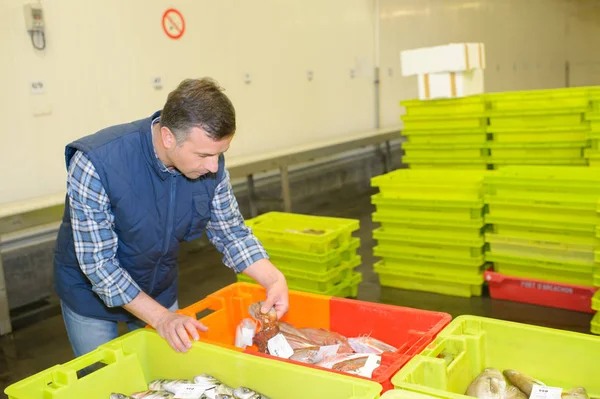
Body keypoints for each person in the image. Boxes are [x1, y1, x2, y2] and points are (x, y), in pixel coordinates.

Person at [53, 77, 289, 358]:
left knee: (169, 377)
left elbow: (231, 232)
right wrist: (162, 318)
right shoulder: (96, 163)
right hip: (90, 297)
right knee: (102, 377)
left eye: (220, 154)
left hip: (157, 289)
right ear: (168, 137)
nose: (214, 166)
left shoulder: (209, 166)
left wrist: (273, 279)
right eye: (203, 154)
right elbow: (99, 265)